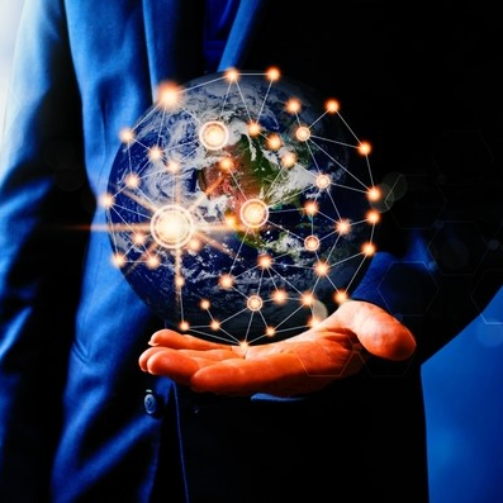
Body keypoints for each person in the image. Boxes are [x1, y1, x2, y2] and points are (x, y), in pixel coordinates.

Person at [0, 1, 501, 501]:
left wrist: (386, 297)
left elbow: (480, 165)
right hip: (97, 439)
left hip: (320, 451)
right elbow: (32, 214)